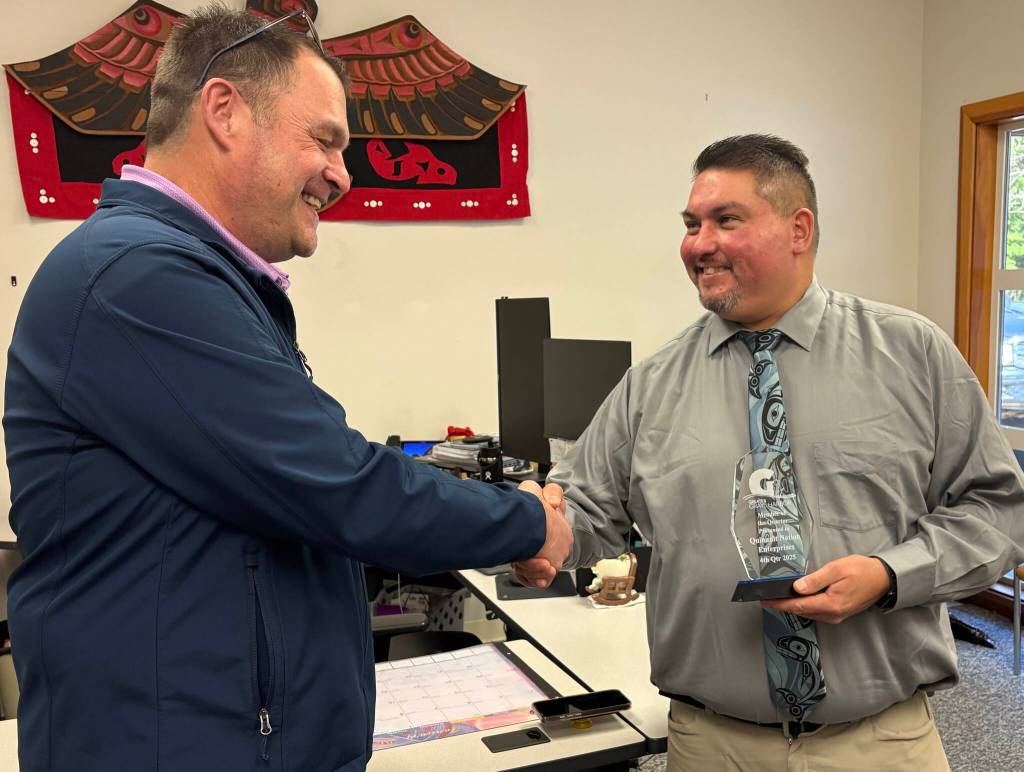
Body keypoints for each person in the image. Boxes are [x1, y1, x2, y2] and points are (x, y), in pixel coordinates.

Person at [2, 6, 570, 772]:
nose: (342, 173)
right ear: (225, 111)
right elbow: (334, 483)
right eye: (325, 139)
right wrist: (525, 523)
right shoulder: (137, 275)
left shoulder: (186, 275)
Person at [516, 134, 1024, 770]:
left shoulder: (912, 355)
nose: (699, 244)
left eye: (726, 220)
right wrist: (541, 532)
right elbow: (588, 510)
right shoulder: (651, 385)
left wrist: (892, 575)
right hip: (712, 744)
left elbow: (999, 511)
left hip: (881, 743)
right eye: (692, 224)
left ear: (798, 229)